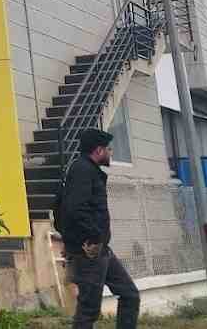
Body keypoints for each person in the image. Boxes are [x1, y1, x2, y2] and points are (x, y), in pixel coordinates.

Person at [59, 127, 140, 329]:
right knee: (88, 310)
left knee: (130, 294)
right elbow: (74, 208)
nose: (110, 153)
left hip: (100, 249)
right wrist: (93, 236)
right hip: (90, 251)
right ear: (98, 150)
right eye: (108, 149)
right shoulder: (82, 170)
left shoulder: (89, 170)